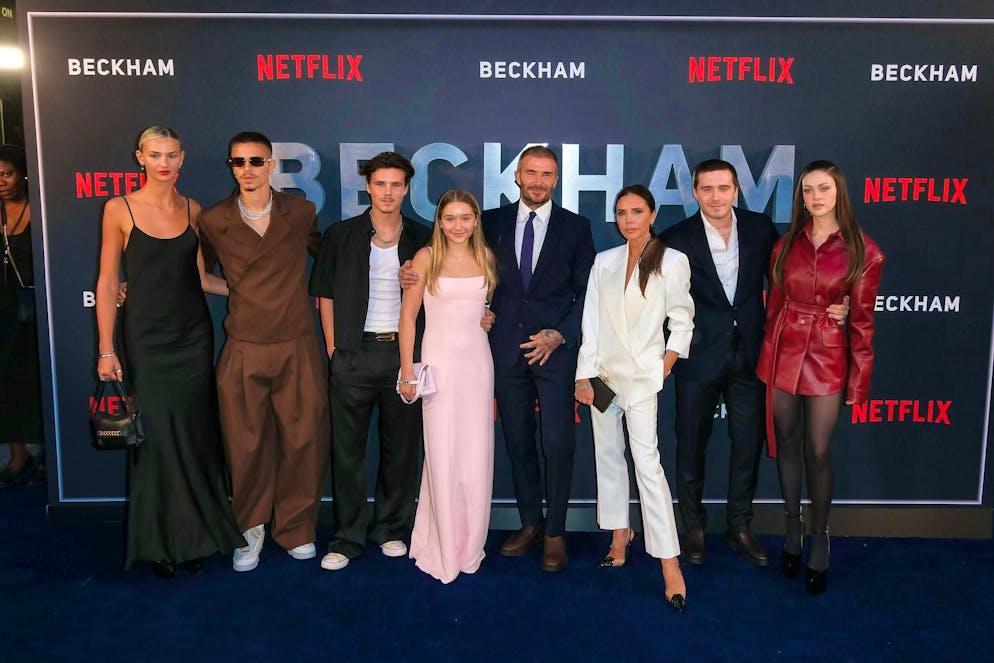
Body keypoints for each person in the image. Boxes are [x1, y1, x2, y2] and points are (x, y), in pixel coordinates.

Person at [661, 159, 848, 567]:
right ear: (694, 192)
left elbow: (797, 277)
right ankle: (692, 525)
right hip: (697, 355)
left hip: (753, 354)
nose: (715, 196)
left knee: (747, 445)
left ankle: (740, 525)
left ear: (736, 190)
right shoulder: (675, 238)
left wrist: (840, 304)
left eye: (723, 188)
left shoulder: (762, 230)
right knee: (691, 444)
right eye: (706, 189)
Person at [94, 126, 244, 577]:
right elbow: (106, 281)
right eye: (155, 154)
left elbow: (201, 278)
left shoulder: (193, 209)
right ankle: (160, 541)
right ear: (139, 156)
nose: (164, 162)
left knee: (195, 436)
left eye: (172, 155)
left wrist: (255, 290)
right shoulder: (118, 209)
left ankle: (194, 535)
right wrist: (106, 348)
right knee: (156, 440)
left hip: (193, 337)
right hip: (146, 339)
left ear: (182, 159)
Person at [198, 131, 330, 572]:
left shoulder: (301, 212)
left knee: (303, 441)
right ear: (230, 166)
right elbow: (197, 276)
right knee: (245, 445)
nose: (248, 169)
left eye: (256, 160)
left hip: (296, 342)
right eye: (238, 162)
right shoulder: (214, 219)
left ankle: (295, 528)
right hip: (244, 346)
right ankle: (250, 528)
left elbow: (329, 263)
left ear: (271, 164)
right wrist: (241, 290)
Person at [757, 160, 884, 594]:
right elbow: (773, 304)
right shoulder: (784, 244)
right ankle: (792, 526)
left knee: (818, 449)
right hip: (782, 350)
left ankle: (819, 535)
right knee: (787, 441)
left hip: (828, 355)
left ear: (839, 192)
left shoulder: (863, 250)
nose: (815, 196)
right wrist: (767, 355)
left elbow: (864, 323)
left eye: (824, 188)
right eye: (808, 189)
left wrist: (859, 380)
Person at [310, 151, 431, 572]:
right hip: (353, 354)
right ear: (367, 187)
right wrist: (333, 349)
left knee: (400, 451)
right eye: (380, 184)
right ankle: (347, 538)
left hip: (404, 357)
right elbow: (323, 294)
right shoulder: (341, 235)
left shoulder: (423, 236)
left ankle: (391, 530)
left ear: (407, 188)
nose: (388, 192)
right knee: (347, 452)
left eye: (396, 184)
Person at [575, 185, 694, 611]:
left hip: (643, 380)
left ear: (652, 213)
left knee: (648, 466)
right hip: (603, 378)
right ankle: (619, 533)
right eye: (622, 212)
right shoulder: (603, 261)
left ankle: (669, 563)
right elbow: (591, 321)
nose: (629, 220)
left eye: (637, 211)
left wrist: (663, 365)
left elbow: (682, 321)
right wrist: (584, 375)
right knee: (607, 457)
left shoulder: (672, 260)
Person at [482, 145, 595, 572]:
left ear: (556, 179)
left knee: (557, 443)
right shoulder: (490, 222)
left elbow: (587, 293)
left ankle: (555, 532)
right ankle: (530, 521)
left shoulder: (576, 227)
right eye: (531, 173)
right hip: (505, 351)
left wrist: (560, 334)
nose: (538, 181)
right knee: (517, 440)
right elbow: (470, 272)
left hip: (555, 353)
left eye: (547, 174)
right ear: (517, 176)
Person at [398, 189, 497, 584]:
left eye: (466, 218)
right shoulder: (425, 258)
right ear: (440, 221)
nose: (458, 226)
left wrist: (489, 317)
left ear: (475, 220)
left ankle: (469, 544)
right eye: (450, 218)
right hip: (437, 365)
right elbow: (407, 318)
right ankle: (438, 543)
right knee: (441, 453)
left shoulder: (487, 257)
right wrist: (407, 371)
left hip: (477, 364)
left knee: (475, 456)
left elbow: (484, 310)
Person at [0, 145, 43, 488]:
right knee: (5, 383)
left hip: (37, 308)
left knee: (38, 381)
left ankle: (48, 454)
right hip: (4, 311)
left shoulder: (41, 207)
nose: (1, 181)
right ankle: (18, 455)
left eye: (7, 173)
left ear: (22, 174)